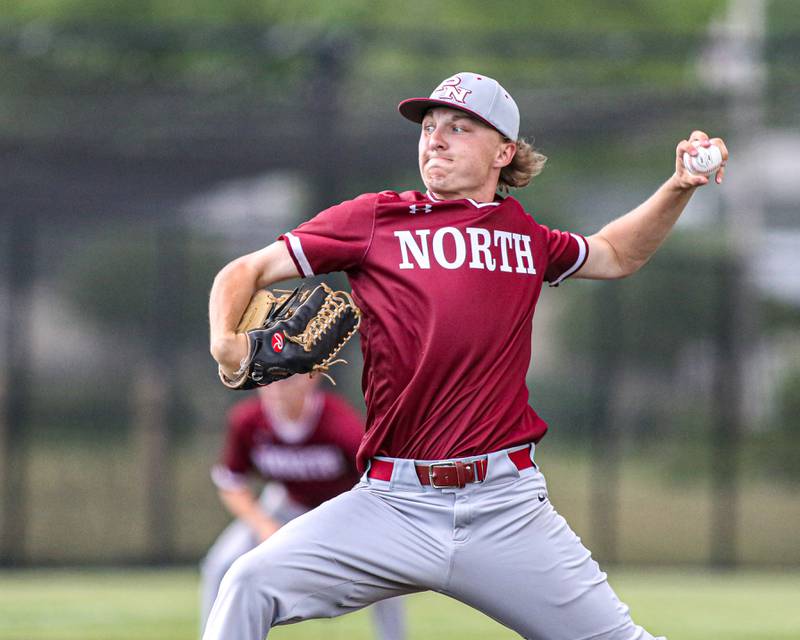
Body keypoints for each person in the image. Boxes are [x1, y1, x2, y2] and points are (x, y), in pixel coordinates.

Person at [205, 72, 728, 640]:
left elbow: (615, 253)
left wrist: (679, 186)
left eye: (460, 127)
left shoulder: (525, 236)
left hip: (505, 507)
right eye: (429, 127)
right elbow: (245, 271)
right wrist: (226, 342)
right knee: (248, 583)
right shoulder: (376, 219)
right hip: (391, 502)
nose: (436, 139)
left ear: (505, 151)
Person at [200, 375, 406, 640]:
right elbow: (231, 483)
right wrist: (262, 523)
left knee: (386, 570)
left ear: (312, 377)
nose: (277, 387)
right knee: (221, 564)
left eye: (287, 378)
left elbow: (373, 475)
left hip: (340, 509)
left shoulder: (338, 421)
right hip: (285, 505)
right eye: (269, 378)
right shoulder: (247, 421)